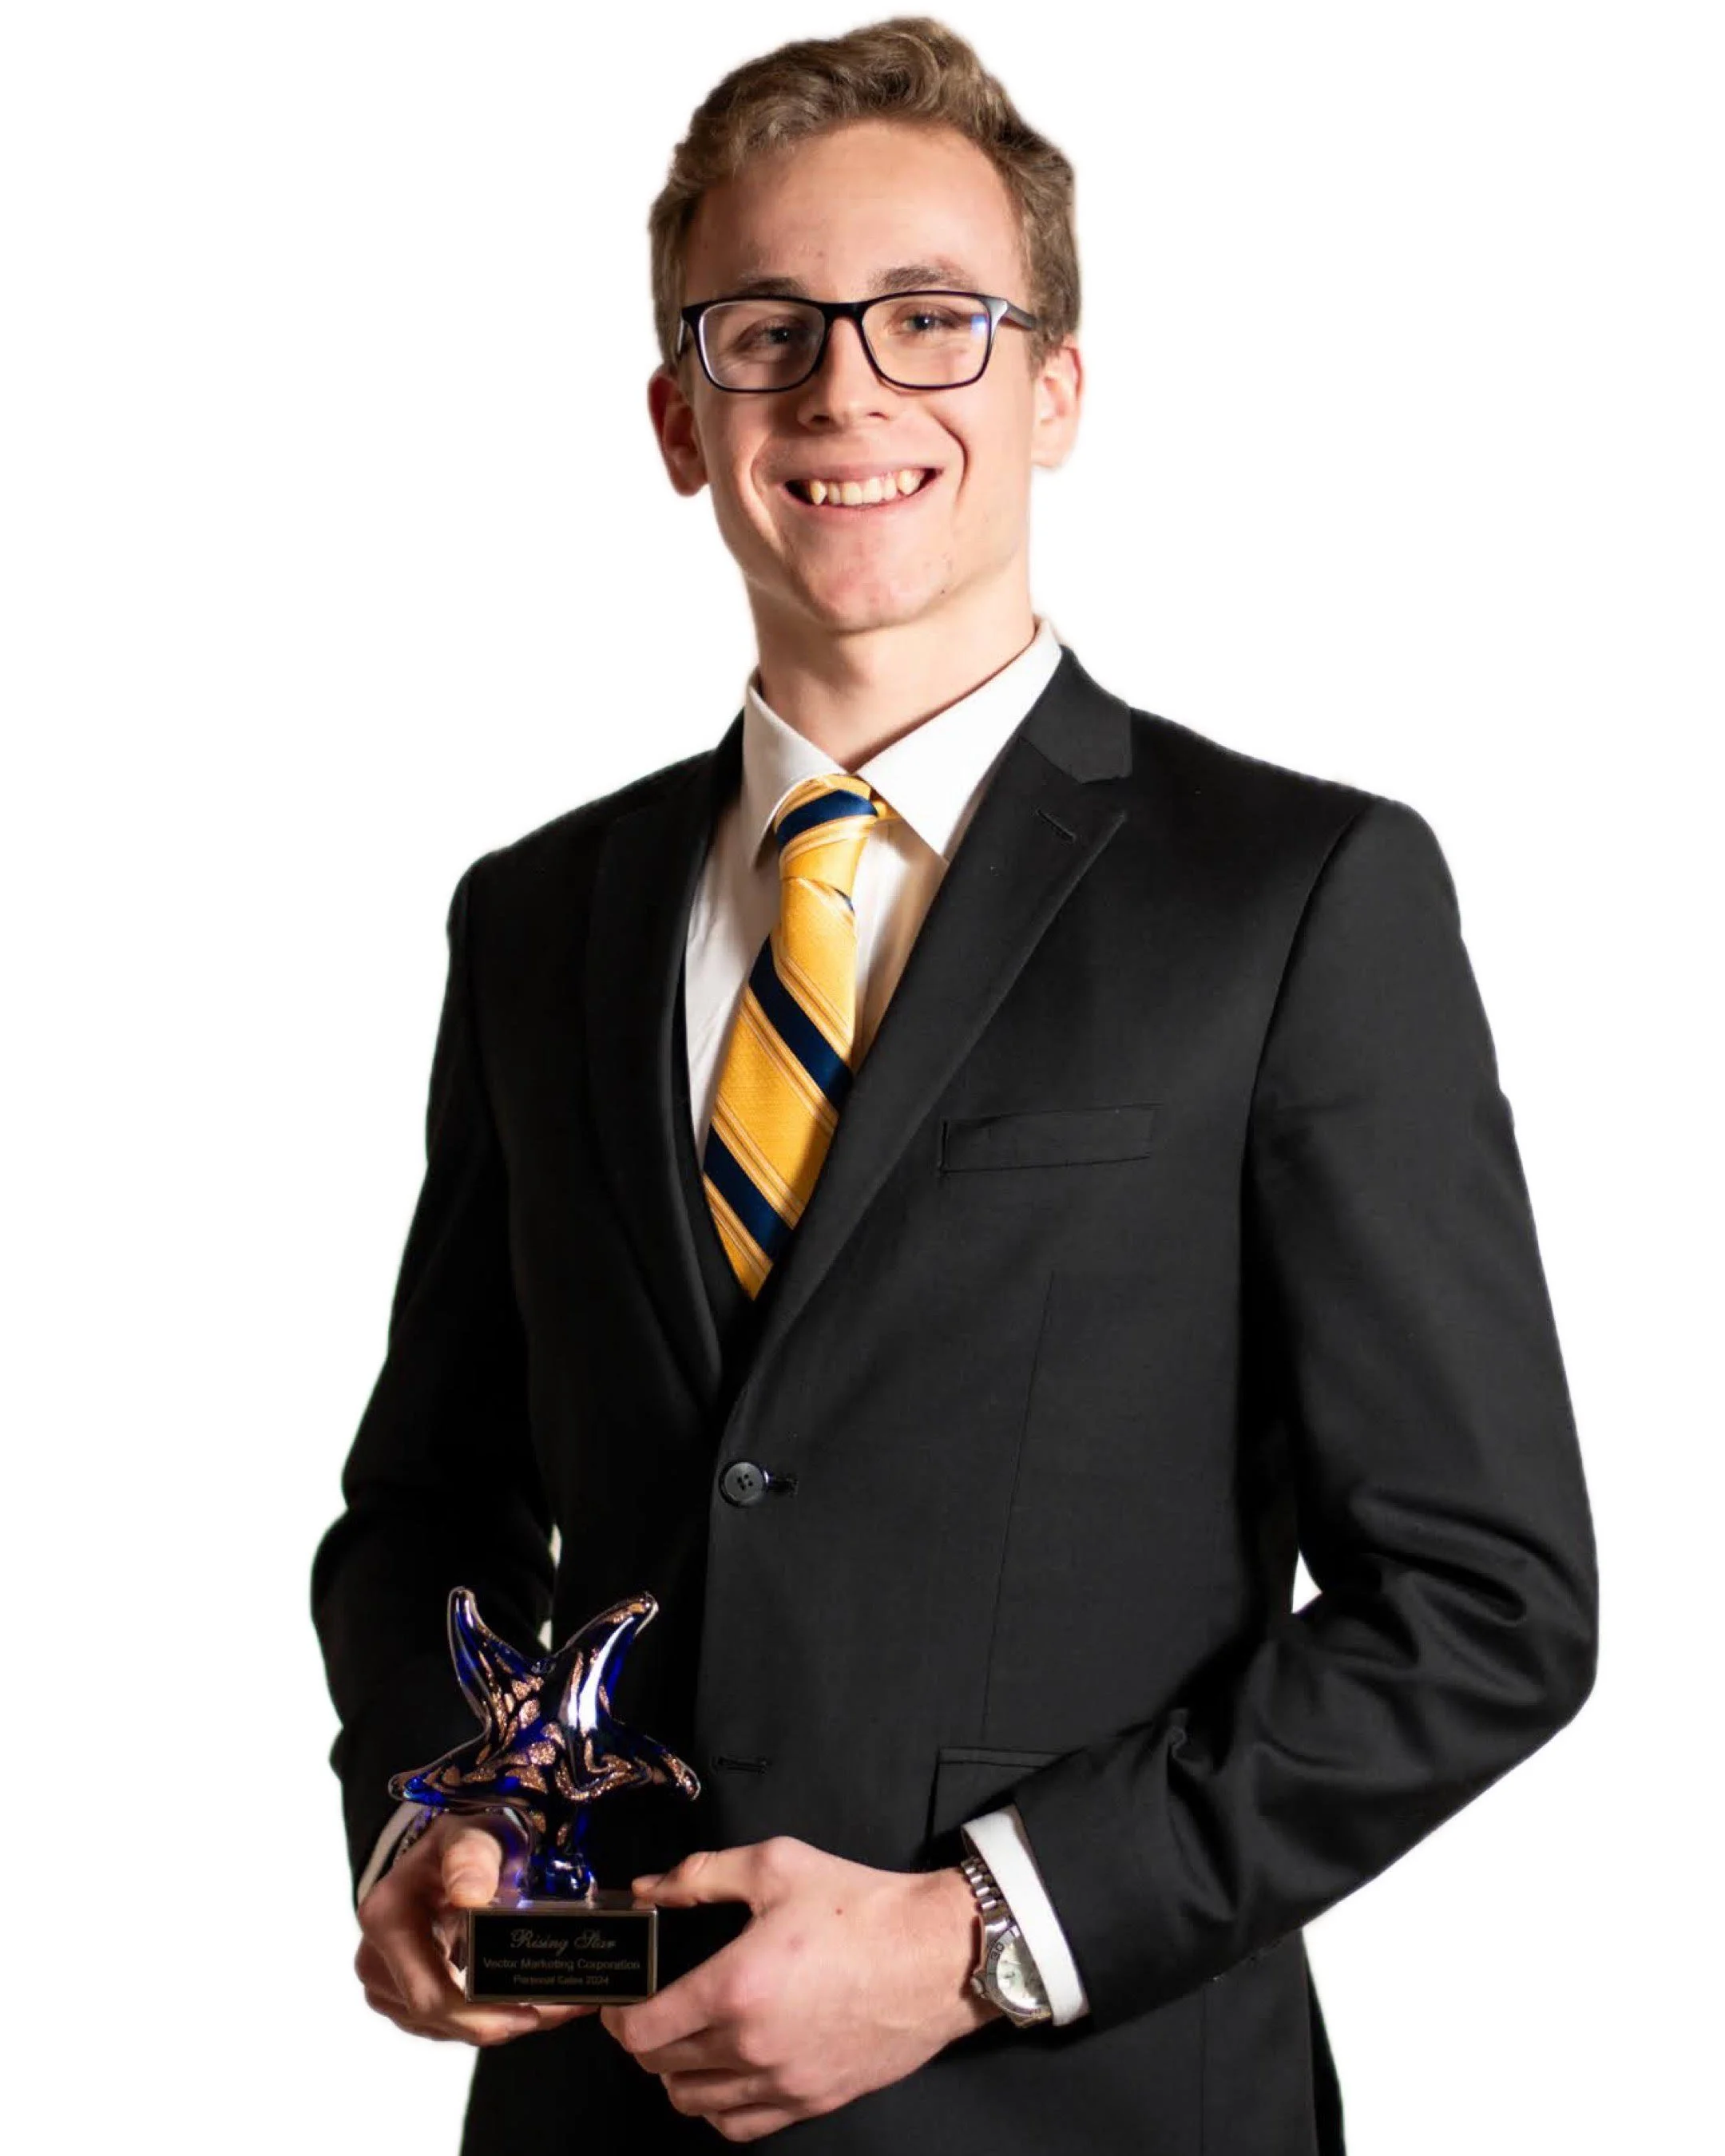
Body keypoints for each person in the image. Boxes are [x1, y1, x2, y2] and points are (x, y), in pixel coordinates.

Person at [310, 17, 1598, 2152]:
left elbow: (1485, 1606)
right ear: (673, 413)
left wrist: (977, 1934)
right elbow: (428, 1506)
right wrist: (425, 1812)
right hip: (592, 2113)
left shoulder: (1297, 899)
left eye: (933, 321)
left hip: (1095, 2111)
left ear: (1055, 388)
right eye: (768, 333)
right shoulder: (540, 919)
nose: (847, 392)